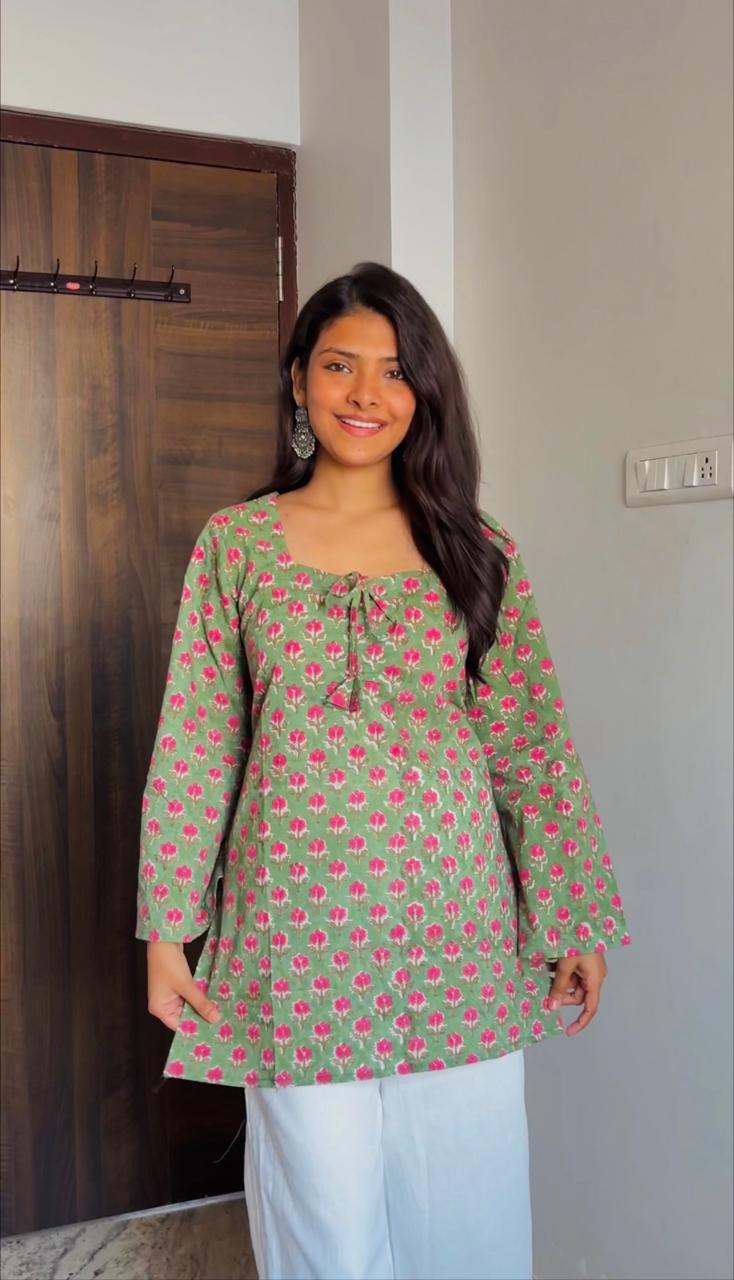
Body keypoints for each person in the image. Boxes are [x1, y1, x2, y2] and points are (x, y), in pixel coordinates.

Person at [136, 261, 631, 1280]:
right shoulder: (237, 547)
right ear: (298, 381)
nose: (367, 395)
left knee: (470, 1203)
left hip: (459, 934)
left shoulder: (477, 550)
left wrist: (571, 914)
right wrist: (167, 928)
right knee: (321, 1217)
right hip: (293, 935)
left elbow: (526, 747)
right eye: (339, 366)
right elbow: (195, 744)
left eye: (396, 371)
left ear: (426, 392)